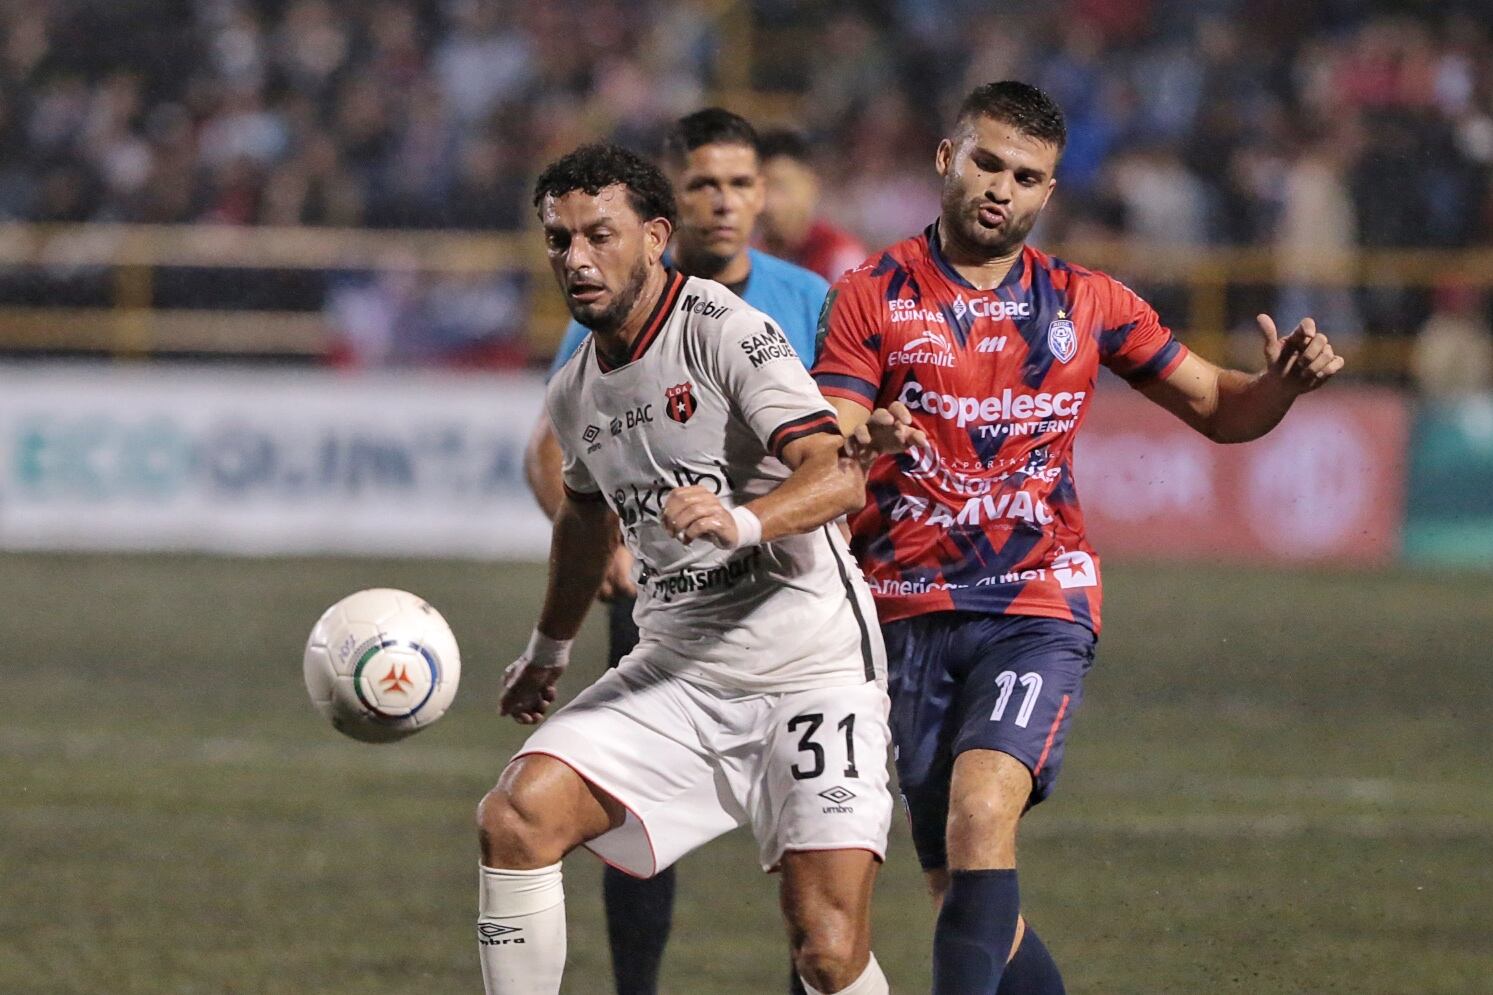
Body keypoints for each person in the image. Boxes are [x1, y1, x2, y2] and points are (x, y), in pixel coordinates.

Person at [811, 81, 1345, 995]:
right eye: (986, 163)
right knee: (961, 891)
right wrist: (863, 435)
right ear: (946, 160)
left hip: (1035, 603)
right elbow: (825, 438)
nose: (1001, 188)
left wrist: (1280, 387)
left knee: (982, 818)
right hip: (899, 608)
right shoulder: (870, 295)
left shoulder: (1087, 302)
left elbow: (1219, 406)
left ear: (1047, 193)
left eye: (1026, 176)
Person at [479, 141, 918, 995]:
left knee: (826, 951)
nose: (575, 259)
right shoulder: (574, 389)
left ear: (654, 237)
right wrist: (548, 648)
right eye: (558, 241)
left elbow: (836, 471)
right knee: (517, 813)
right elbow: (582, 522)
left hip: (809, 670)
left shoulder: (724, 328)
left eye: (597, 235)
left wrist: (742, 518)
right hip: (676, 674)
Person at [522, 108, 831, 995]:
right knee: (627, 830)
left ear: (762, 194)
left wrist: (757, 515)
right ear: (671, 203)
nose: (722, 202)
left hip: (787, 610)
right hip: (662, 609)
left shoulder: (800, 299)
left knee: (814, 871)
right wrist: (604, 556)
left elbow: (832, 446)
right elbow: (561, 456)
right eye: (703, 183)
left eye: (739, 183)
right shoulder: (606, 296)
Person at [757, 127, 869, 283]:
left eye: (781, 186)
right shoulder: (747, 256)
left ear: (811, 185)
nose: (769, 203)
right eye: (760, 188)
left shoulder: (839, 258)